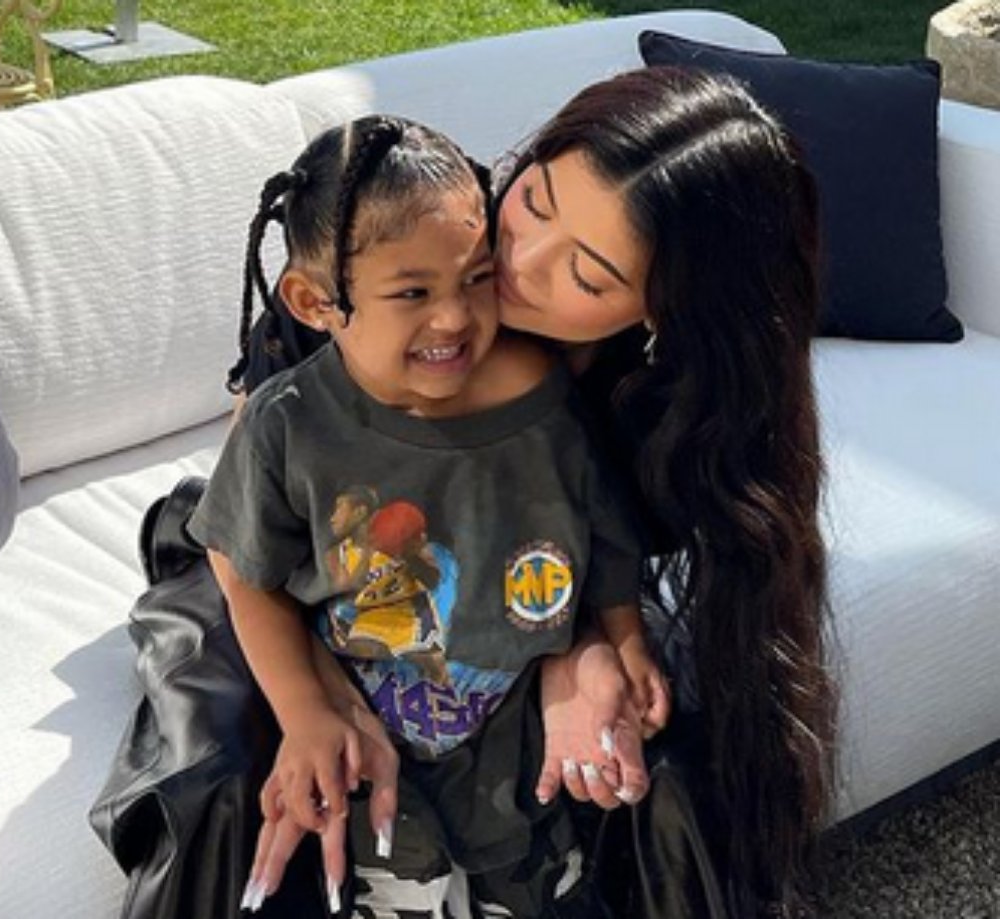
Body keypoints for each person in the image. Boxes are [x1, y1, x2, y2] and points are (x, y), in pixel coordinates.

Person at [91, 65, 836, 919]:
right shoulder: (400, 237)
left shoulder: (658, 405)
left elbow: (591, 545)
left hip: (504, 576)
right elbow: (247, 522)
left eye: (587, 275)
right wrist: (326, 696)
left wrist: (575, 649)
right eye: (535, 202)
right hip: (292, 563)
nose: (516, 262)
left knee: (658, 752)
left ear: (663, 313)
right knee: (229, 774)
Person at [188, 112, 670, 917]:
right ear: (312, 301)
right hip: (372, 749)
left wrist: (620, 640)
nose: (453, 317)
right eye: (413, 293)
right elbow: (248, 573)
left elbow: (605, 533)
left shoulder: (546, 401)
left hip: (520, 747)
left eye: (476, 278)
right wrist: (303, 712)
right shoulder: (288, 425)